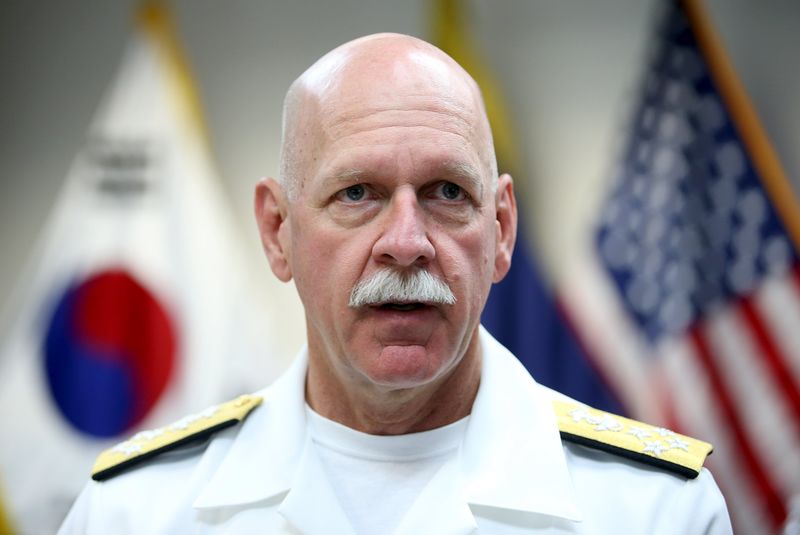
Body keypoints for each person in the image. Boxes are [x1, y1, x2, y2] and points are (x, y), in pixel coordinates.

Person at [59, 33, 732, 534]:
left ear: (500, 228)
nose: (406, 243)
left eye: (445, 191)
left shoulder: (657, 510)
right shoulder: (133, 510)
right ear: (276, 230)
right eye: (357, 193)